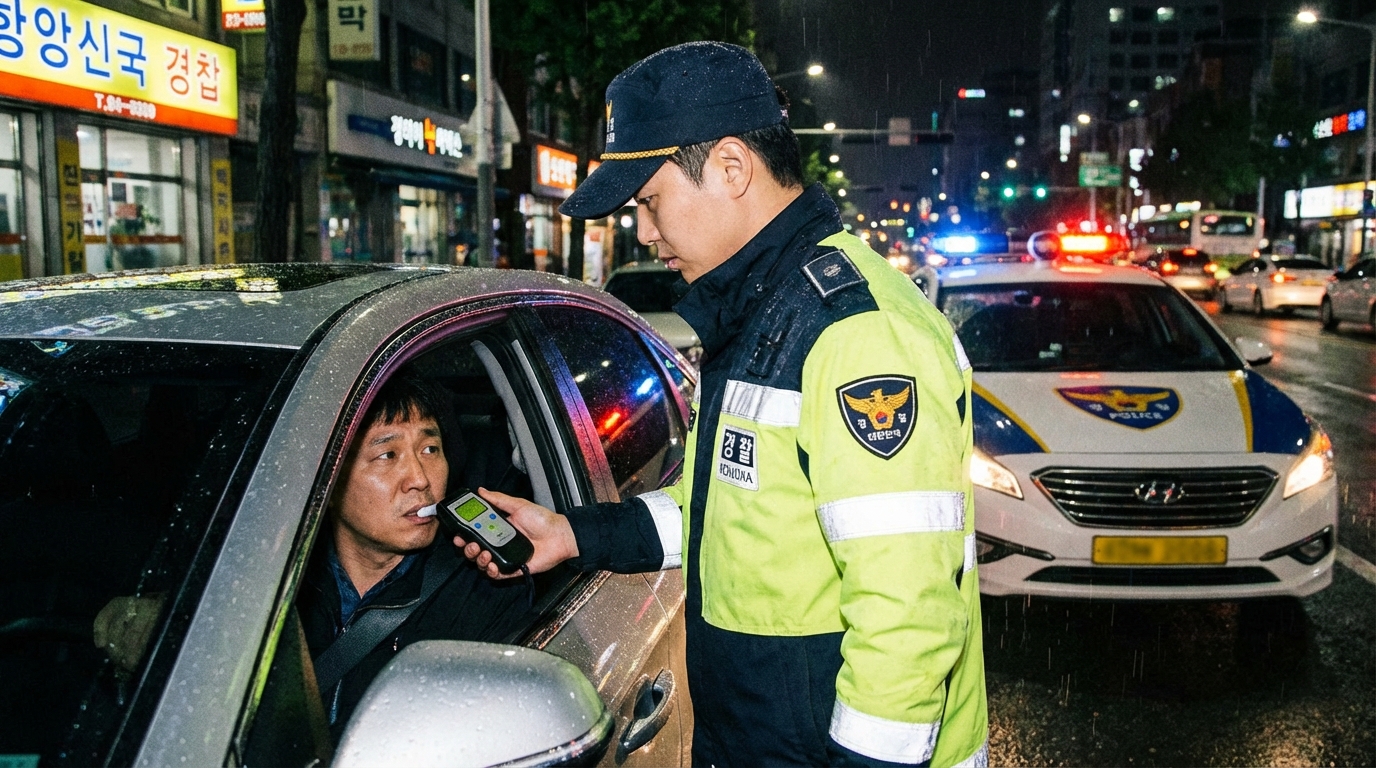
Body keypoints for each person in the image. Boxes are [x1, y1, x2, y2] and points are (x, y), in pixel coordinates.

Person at [466, 42, 988, 767]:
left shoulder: (854, 331)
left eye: (649, 200)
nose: (644, 231)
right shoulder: (765, 311)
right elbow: (722, 512)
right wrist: (572, 534)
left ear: (732, 168)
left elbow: (908, 615)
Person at [294, 373, 530, 738]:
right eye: (387, 454)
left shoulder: (485, 594)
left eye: (430, 450)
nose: (420, 478)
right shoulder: (277, 591)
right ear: (326, 477)